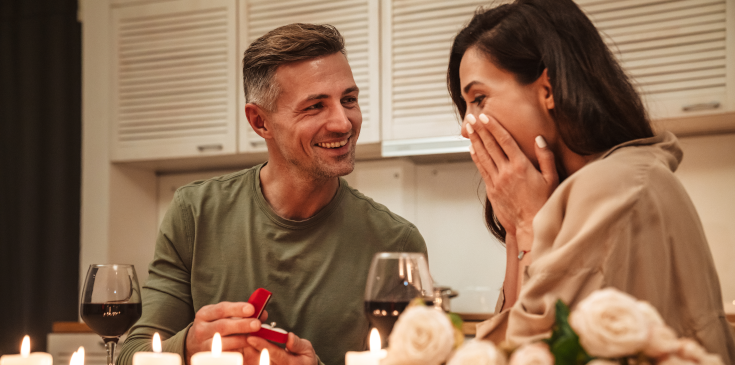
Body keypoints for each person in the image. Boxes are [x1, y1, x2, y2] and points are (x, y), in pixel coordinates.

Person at [116, 23, 427, 365]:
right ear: (260, 122)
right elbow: (131, 355)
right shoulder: (194, 213)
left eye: (348, 100)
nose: (343, 123)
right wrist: (188, 346)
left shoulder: (397, 243)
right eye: (315, 106)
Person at [447, 0, 735, 362]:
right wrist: (516, 233)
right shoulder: (612, 177)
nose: (466, 126)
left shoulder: (612, 184)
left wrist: (527, 222)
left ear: (548, 88)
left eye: (479, 98)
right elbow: (506, 343)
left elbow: (533, 350)